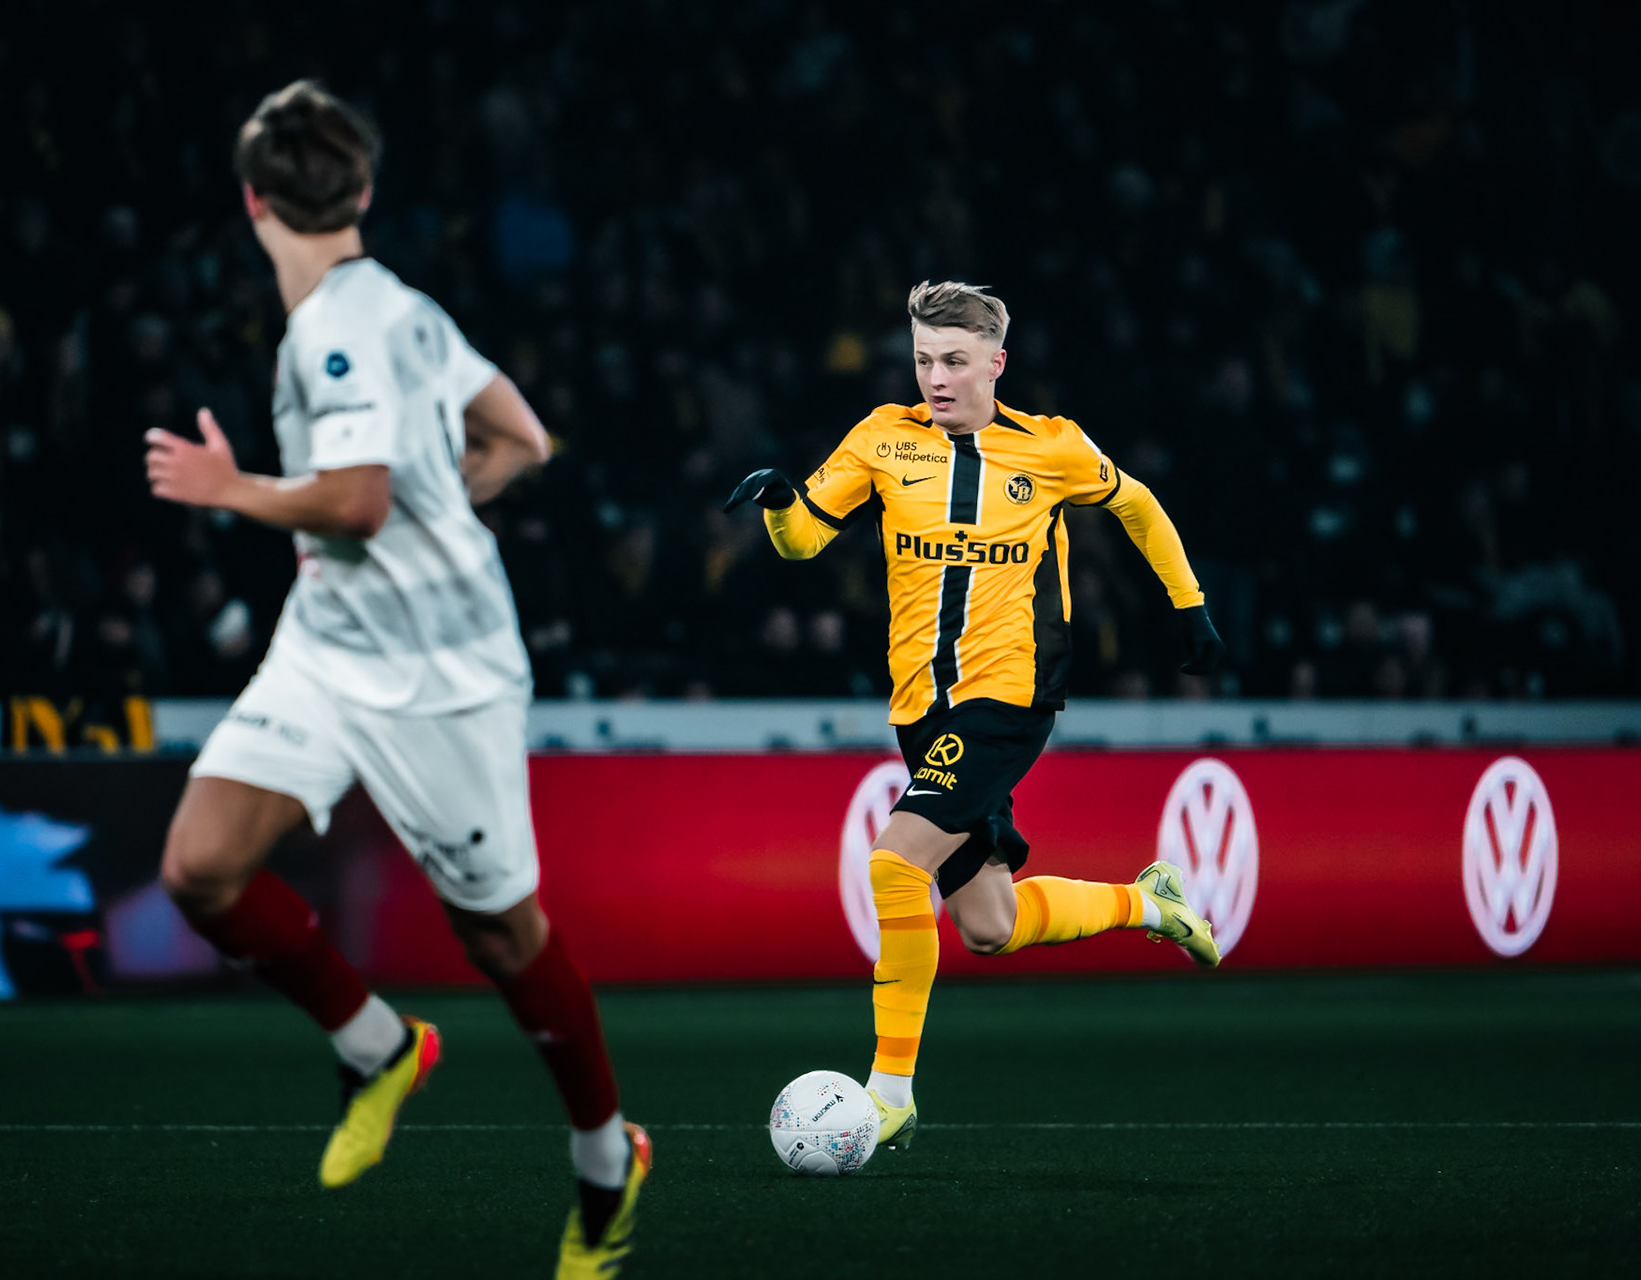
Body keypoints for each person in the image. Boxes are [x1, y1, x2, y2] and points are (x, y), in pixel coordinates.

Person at [144, 81, 647, 1278]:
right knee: (200, 866)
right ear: (363, 192)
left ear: (254, 199)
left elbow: (359, 500)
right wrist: (434, 514)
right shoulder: (406, 309)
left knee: (502, 934)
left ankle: (607, 1158)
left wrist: (237, 492)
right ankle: (377, 1045)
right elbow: (520, 438)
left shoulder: (333, 331)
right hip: (331, 641)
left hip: (445, 678)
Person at [724, 281, 1225, 1151]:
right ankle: (1152, 904)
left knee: (892, 863)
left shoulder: (1052, 449)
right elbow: (806, 537)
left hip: (1010, 695)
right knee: (989, 925)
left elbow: (1138, 503)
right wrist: (777, 504)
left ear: (996, 363)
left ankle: (890, 1093)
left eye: (954, 362)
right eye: (923, 360)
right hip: (921, 710)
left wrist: (1189, 604)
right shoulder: (882, 438)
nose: (936, 379)